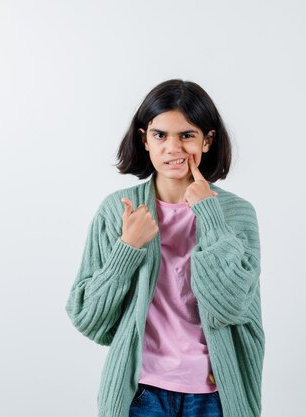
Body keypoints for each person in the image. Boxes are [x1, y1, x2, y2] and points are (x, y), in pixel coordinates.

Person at [65, 79, 264, 417]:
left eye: (187, 135)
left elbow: (231, 306)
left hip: (215, 395)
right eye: (160, 135)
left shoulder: (236, 214)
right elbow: (88, 318)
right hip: (141, 393)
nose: (173, 148)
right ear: (144, 139)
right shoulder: (118, 210)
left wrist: (210, 216)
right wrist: (127, 249)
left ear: (207, 140)